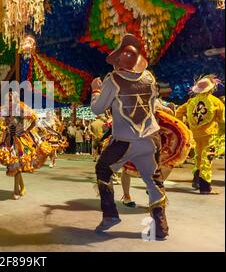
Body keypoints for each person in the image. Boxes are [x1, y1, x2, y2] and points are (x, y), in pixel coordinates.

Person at [91, 34, 168, 239]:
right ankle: (161, 227)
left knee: (103, 169)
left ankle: (110, 215)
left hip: (124, 141)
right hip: (151, 138)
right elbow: (153, 105)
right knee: (154, 180)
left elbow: (97, 108)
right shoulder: (149, 77)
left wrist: (96, 90)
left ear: (118, 62)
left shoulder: (113, 79)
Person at [175, 75, 225, 194]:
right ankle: (205, 186)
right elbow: (222, 119)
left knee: (198, 157)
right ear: (212, 89)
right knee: (207, 158)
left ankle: (196, 180)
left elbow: (179, 112)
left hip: (195, 134)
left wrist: (183, 126)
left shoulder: (191, 101)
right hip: (209, 135)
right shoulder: (216, 102)